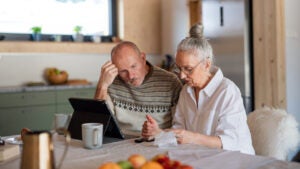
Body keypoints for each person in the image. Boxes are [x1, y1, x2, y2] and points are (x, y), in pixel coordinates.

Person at [141, 24, 255, 155]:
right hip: (202, 157)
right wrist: (159, 133)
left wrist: (193, 138)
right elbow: (180, 133)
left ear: (207, 64)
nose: (182, 76)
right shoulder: (186, 91)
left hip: (236, 161)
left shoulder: (227, 91)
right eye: (179, 68)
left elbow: (230, 141)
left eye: (188, 69)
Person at [94, 41, 182, 138]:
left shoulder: (171, 82)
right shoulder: (110, 81)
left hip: (158, 142)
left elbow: (181, 128)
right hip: (121, 143)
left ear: (143, 58)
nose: (131, 76)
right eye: (123, 71)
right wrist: (102, 85)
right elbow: (98, 124)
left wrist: (160, 133)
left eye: (133, 66)